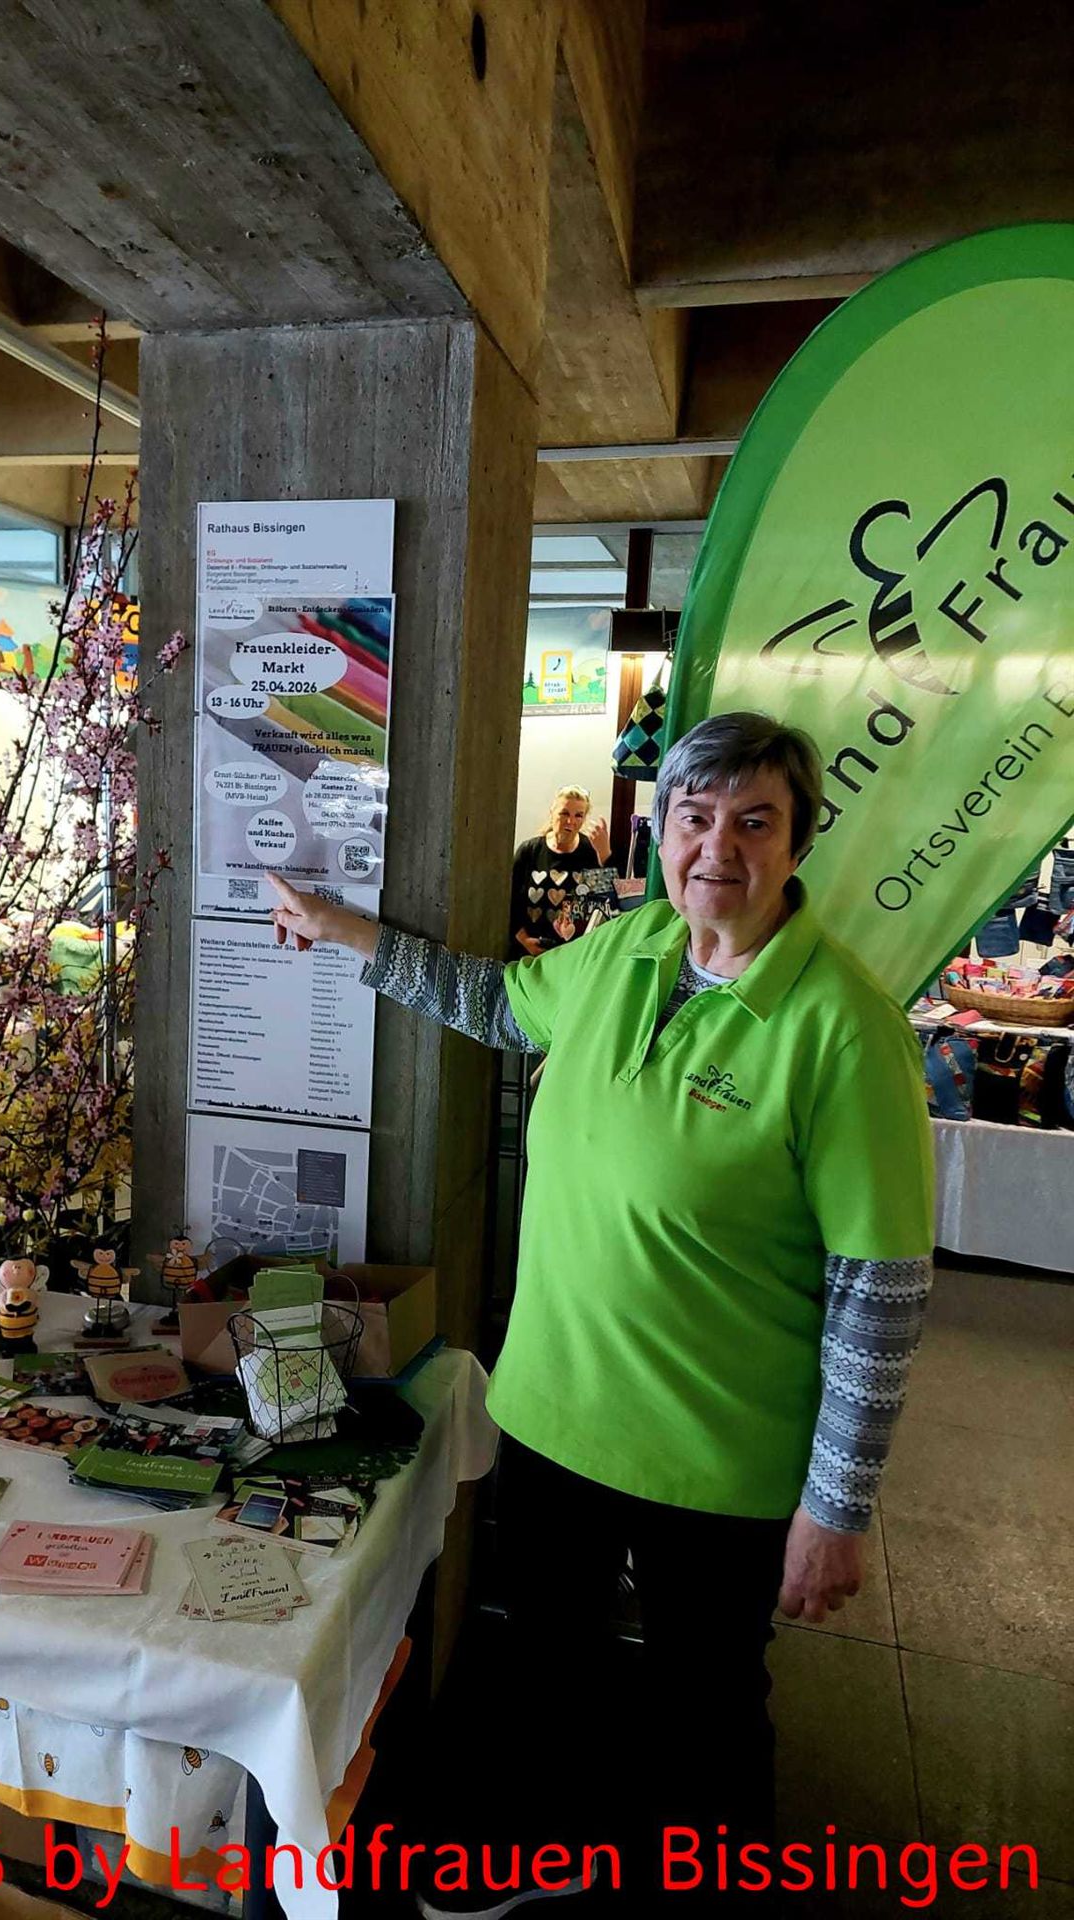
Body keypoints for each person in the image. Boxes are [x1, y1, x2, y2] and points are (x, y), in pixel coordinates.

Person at [268, 711, 935, 1913]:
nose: (717, 847)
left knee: (707, 1715)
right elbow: (497, 1004)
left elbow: (878, 1294)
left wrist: (837, 1506)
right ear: (659, 831)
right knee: (545, 1669)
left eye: (754, 822)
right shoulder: (629, 947)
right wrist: (344, 932)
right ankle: (545, 1861)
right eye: (695, 816)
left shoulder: (844, 1027)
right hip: (554, 1419)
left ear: (798, 844)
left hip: (717, 1459)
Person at [509, 785, 619, 958]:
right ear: (552, 813)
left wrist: (605, 857)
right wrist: (524, 940)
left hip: (574, 955)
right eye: (564, 813)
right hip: (529, 953)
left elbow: (608, 907)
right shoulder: (529, 851)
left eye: (578, 815)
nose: (570, 821)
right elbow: (509, 901)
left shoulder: (590, 852)